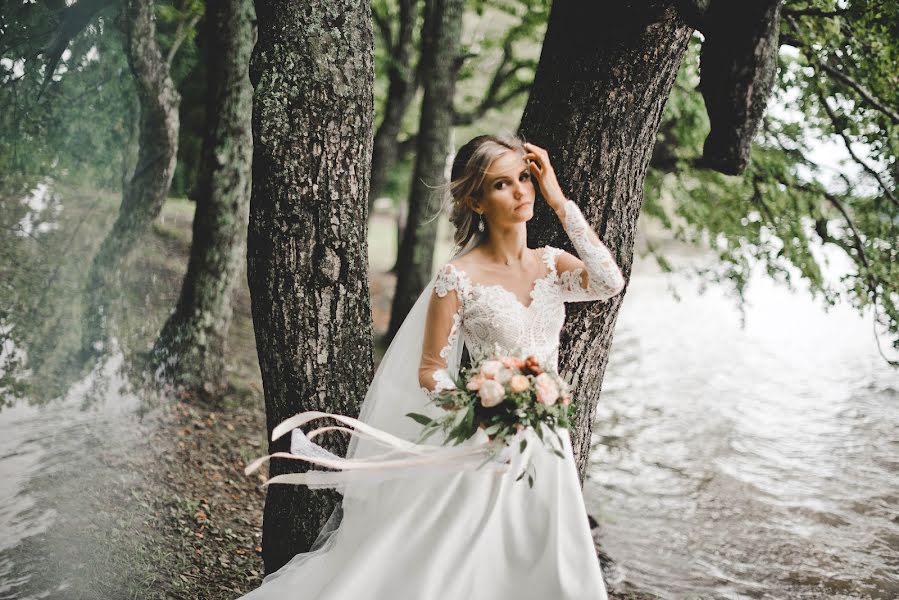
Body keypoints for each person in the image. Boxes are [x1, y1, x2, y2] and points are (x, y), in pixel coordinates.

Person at [238, 133, 625, 599]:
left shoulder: (550, 264)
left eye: (525, 178)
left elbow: (608, 281)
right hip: (487, 437)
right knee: (466, 561)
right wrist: (478, 408)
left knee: (544, 560)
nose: (521, 192)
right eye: (503, 184)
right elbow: (431, 368)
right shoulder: (459, 277)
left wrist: (559, 200)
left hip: (547, 440)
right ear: (477, 200)